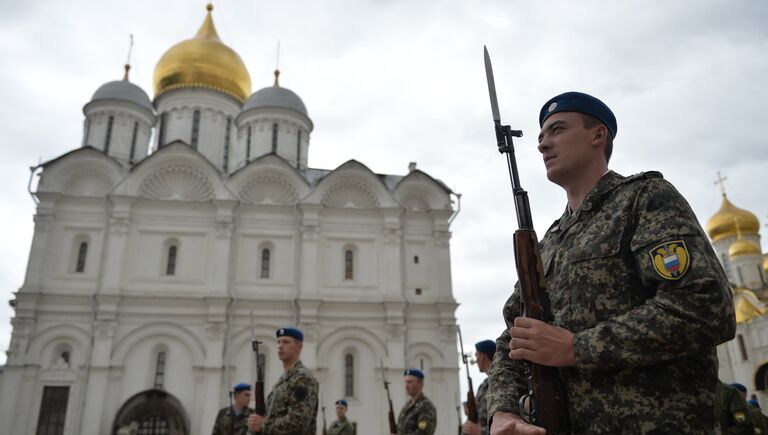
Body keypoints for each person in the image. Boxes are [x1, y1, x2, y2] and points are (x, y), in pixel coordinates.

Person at [486, 91, 736, 434]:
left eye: (557, 130)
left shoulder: (643, 199)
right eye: (541, 136)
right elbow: (513, 336)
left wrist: (576, 348)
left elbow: (705, 306)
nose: (543, 144)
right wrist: (504, 410)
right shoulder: (548, 243)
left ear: (597, 135)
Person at [247, 327, 318, 434]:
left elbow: (298, 423)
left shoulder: (303, 378)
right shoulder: (281, 382)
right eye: (278, 342)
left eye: (286, 342)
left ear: (299, 347)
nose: (280, 346)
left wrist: (263, 424)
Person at [463, 340, 496, 435]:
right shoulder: (484, 386)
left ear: (482, 356)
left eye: (476, 355)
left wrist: (481, 431)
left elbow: (505, 420)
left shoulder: (501, 381)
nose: (476, 359)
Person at [391, 368, 437, 435]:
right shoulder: (407, 406)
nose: (406, 386)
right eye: (405, 382)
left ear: (420, 384)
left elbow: (423, 433)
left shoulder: (426, 406)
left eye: (410, 382)